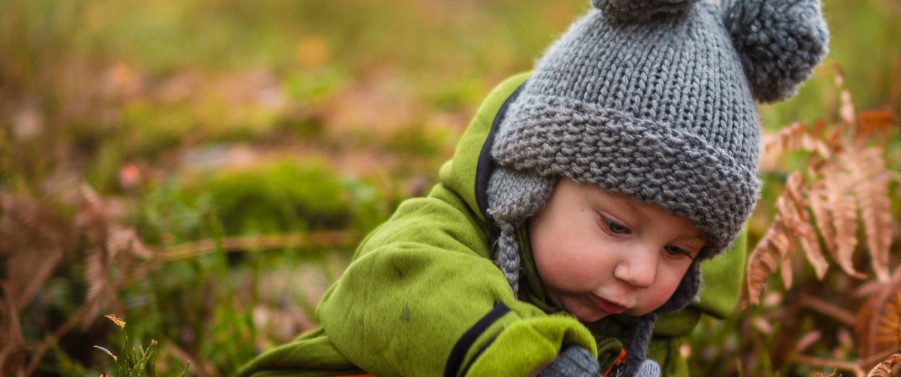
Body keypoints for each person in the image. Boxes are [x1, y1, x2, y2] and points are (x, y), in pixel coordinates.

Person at [236, 0, 827, 375]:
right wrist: (532, 363)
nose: (641, 273)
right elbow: (389, 290)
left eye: (679, 250)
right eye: (616, 226)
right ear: (531, 181)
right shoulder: (438, 240)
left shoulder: (645, 329)